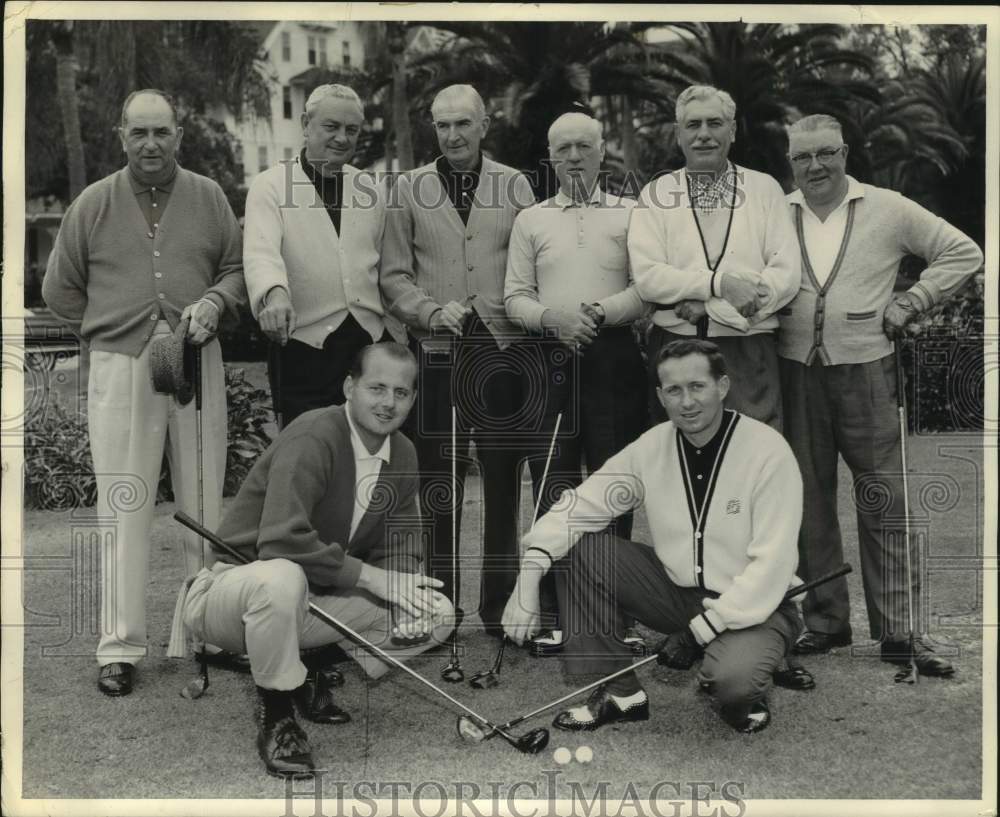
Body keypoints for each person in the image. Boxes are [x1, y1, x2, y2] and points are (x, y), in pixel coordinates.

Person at [42, 89, 247, 697]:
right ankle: (120, 646)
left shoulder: (209, 197)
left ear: (179, 134)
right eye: (139, 132)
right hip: (123, 364)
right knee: (123, 503)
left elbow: (236, 269)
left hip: (196, 354)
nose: (151, 144)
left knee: (203, 500)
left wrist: (215, 302)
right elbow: (60, 289)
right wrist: (110, 331)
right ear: (121, 135)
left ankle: (208, 632)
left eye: (161, 132)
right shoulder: (93, 202)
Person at [181, 343, 455, 777]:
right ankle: (278, 715)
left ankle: (304, 666)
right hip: (233, 592)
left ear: (413, 399)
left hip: (312, 597)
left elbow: (400, 547)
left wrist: (402, 592)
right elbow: (280, 541)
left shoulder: (402, 452)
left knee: (437, 611)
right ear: (349, 387)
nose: (388, 402)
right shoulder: (314, 434)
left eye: (401, 392)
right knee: (282, 578)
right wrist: (372, 578)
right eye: (377, 388)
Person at [502, 339, 803, 733]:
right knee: (579, 551)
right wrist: (528, 578)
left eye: (697, 386)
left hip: (759, 603)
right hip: (677, 593)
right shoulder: (652, 446)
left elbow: (772, 565)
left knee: (732, 683)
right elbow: (579, 506)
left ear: (723, 387)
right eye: (674, 390)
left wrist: (702, 631)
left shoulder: (768, 451)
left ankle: (753, 667)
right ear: (661, 397)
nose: (687, 402)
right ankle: (621, 694)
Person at [780, 114, 983, 674]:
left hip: (868, 369)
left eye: (826, 153)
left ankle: (900, 632)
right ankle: (826, 621)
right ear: (790, 162)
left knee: (884, 498)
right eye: (803, 157)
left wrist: (913, 300)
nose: (815, 166)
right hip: (794, 371)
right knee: (807, 499)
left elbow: (963, 251)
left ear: (844, 153)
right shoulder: (777, 211)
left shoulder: (888, 207)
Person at [380, 84, 536, 634]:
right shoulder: (408, 188)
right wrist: (427, 311)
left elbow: (531, 265)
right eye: (442, 125)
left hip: (503, 351)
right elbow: (393, 276)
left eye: (463, 123)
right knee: (437, 481)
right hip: (436, 355)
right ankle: (439, 606)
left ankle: (500, 606)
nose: (453, 135)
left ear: (485, 125)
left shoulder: (515, 185)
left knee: (502, 479)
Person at [504, 109, 648, 656]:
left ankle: (613, 613)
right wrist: (554, 320)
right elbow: (515, 295)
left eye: (583, 146)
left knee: (614, 485)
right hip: (551, 358)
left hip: (614, 357)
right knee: (554, 485)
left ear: (601, 151)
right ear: (550, 155)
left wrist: (599, 312)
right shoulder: (532, 219)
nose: (573, 157)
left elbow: (645, 288)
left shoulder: (631, 213)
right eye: (562, 148)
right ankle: (559, 613)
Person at [628, 84, 799, 430]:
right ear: (678, 134)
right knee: (680, 455)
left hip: (748, 350)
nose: (704, 134)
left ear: (732, 130)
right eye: (693, 125)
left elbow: (785, 276)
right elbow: (649, 278)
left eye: (715, 123)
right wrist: (720, 284)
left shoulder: (764, 189)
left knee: (752, 451)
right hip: (675, 349)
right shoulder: (656, 193)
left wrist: (710, 308)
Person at [244, 84, 404, 428]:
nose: (342, 138)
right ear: (306, 124)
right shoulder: (270, 185)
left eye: (352, 130)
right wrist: (275, 295)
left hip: (368, 346)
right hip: (303, 349)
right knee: (309, 451)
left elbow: (385, 265)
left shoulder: (370, 189)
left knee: (372, 450)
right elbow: (261, 253)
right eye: (331, 127)